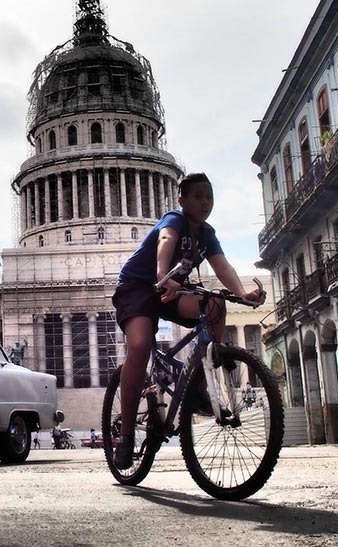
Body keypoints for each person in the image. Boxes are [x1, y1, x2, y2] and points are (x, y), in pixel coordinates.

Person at [111, 173, 265, 469]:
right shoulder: (174, 220)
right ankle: (127, 434)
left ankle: (200, 383)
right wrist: (162, 277)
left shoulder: (207, 233)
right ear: (181, 200)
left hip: (172, 290)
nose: (205, 202)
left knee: (216, 303)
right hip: (139, 288)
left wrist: (243, 294)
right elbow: (165, 242)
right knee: (141, 345)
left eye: (209, 196)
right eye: (197, 196)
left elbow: (223, 267)